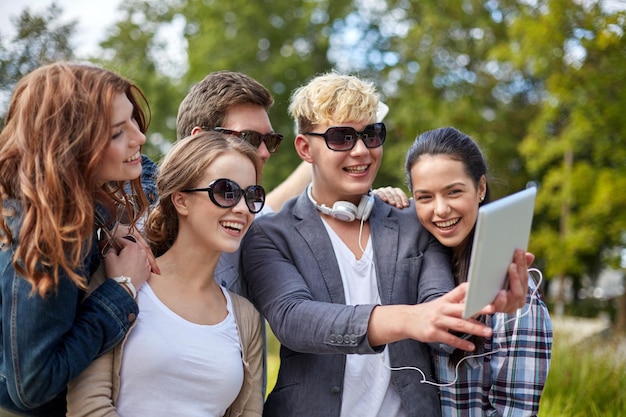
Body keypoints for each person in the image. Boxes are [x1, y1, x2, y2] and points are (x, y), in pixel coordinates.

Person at [240, 72, 530, 417]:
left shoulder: (412, 222)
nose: (361, 150)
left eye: (371, 134)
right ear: (305, 148)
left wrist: (485, 303)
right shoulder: (270, 234)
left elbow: (438, 316)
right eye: (342, 138)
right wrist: (407, 319)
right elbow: (294, 319)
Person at [66, 131, 265, 417]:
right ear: (181, 200)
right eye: (226, 192)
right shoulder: (120, 281)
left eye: (252, 195)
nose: (243, 208)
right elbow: (88, 406)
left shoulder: (245, 317)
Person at [0, 62, 157, 416]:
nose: (139, 137)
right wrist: (122, 290)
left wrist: (111, 218)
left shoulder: (64, 197)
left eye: (133, 119)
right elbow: (31, 386)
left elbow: (148, 170)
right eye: (118, 133)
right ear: (70, 145)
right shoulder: (45, 232)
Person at [405, 126, 553, 416]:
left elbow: (515, 411)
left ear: (481, 188)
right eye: (424, 197)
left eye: (454, 192)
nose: (441, 210)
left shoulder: (513, 290)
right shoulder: (412, 266)